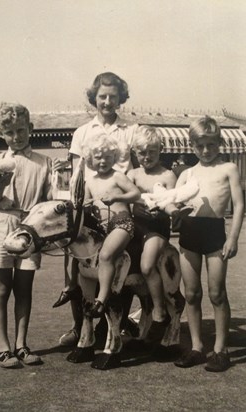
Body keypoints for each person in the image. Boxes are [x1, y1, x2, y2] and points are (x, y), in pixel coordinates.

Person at [53, 72, 139, 345]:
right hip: (91, 208)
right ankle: (80, 326)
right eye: (102, 96)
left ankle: (120, 323)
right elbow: (78, 175)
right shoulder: (83, 132)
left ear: (120, 98)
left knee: (121, 265)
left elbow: (134, 173)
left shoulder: (130, 131)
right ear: (94, 98)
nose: (107, 101)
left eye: (113, 96)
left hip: (121, 209)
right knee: (80, 265)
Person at [0, 102, 52, 368]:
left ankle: (21, 344)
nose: (16, 137)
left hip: (30, 225)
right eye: (10, 133)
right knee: (2, 289)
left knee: (24, 289)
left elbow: (48, 200)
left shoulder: (44, 162)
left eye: (21, 130)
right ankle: (2, 347)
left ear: (30, 129)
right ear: (2, 134)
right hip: (2, 222)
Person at [173, 116, 244, 372]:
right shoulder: (187, 173)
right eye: (200, 145)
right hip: (190, 234)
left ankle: (220, 350)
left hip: (215, 233)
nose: (206, 151)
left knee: (217, 293)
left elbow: (239, 206)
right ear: (191, 145)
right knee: (191, 294)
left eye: (211, 145)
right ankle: (196, 347)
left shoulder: (228, 169)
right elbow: (172, 203)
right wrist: (174, 212)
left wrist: (233, 237)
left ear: (220, 143)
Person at [127, 126, 178, 342]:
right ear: (135, 153)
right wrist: (136, 204)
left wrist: (161, 207)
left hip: (156, 229)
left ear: (160, 151)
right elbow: (125, 201)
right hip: (136, 228)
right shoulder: (132, 174)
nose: (147, 157)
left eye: (152, 152)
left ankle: (160, 312)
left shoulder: (167, 175)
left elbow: (173, 203)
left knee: (148, 265)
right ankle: (125, 320)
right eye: (142, 153)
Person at [82, 133, 140, 316]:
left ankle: (101, 300)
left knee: (106, 255)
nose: (103, 161)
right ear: (91, 158)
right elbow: (85, 204)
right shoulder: (89, 181)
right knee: (83, 262)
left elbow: (136, 194)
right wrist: (88, 205)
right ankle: (86, 298)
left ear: (114, 157)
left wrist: (117, 196)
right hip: (101, 228)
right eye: (98, 157)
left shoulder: (117, 176)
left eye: (108, 157)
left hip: (122, 222)